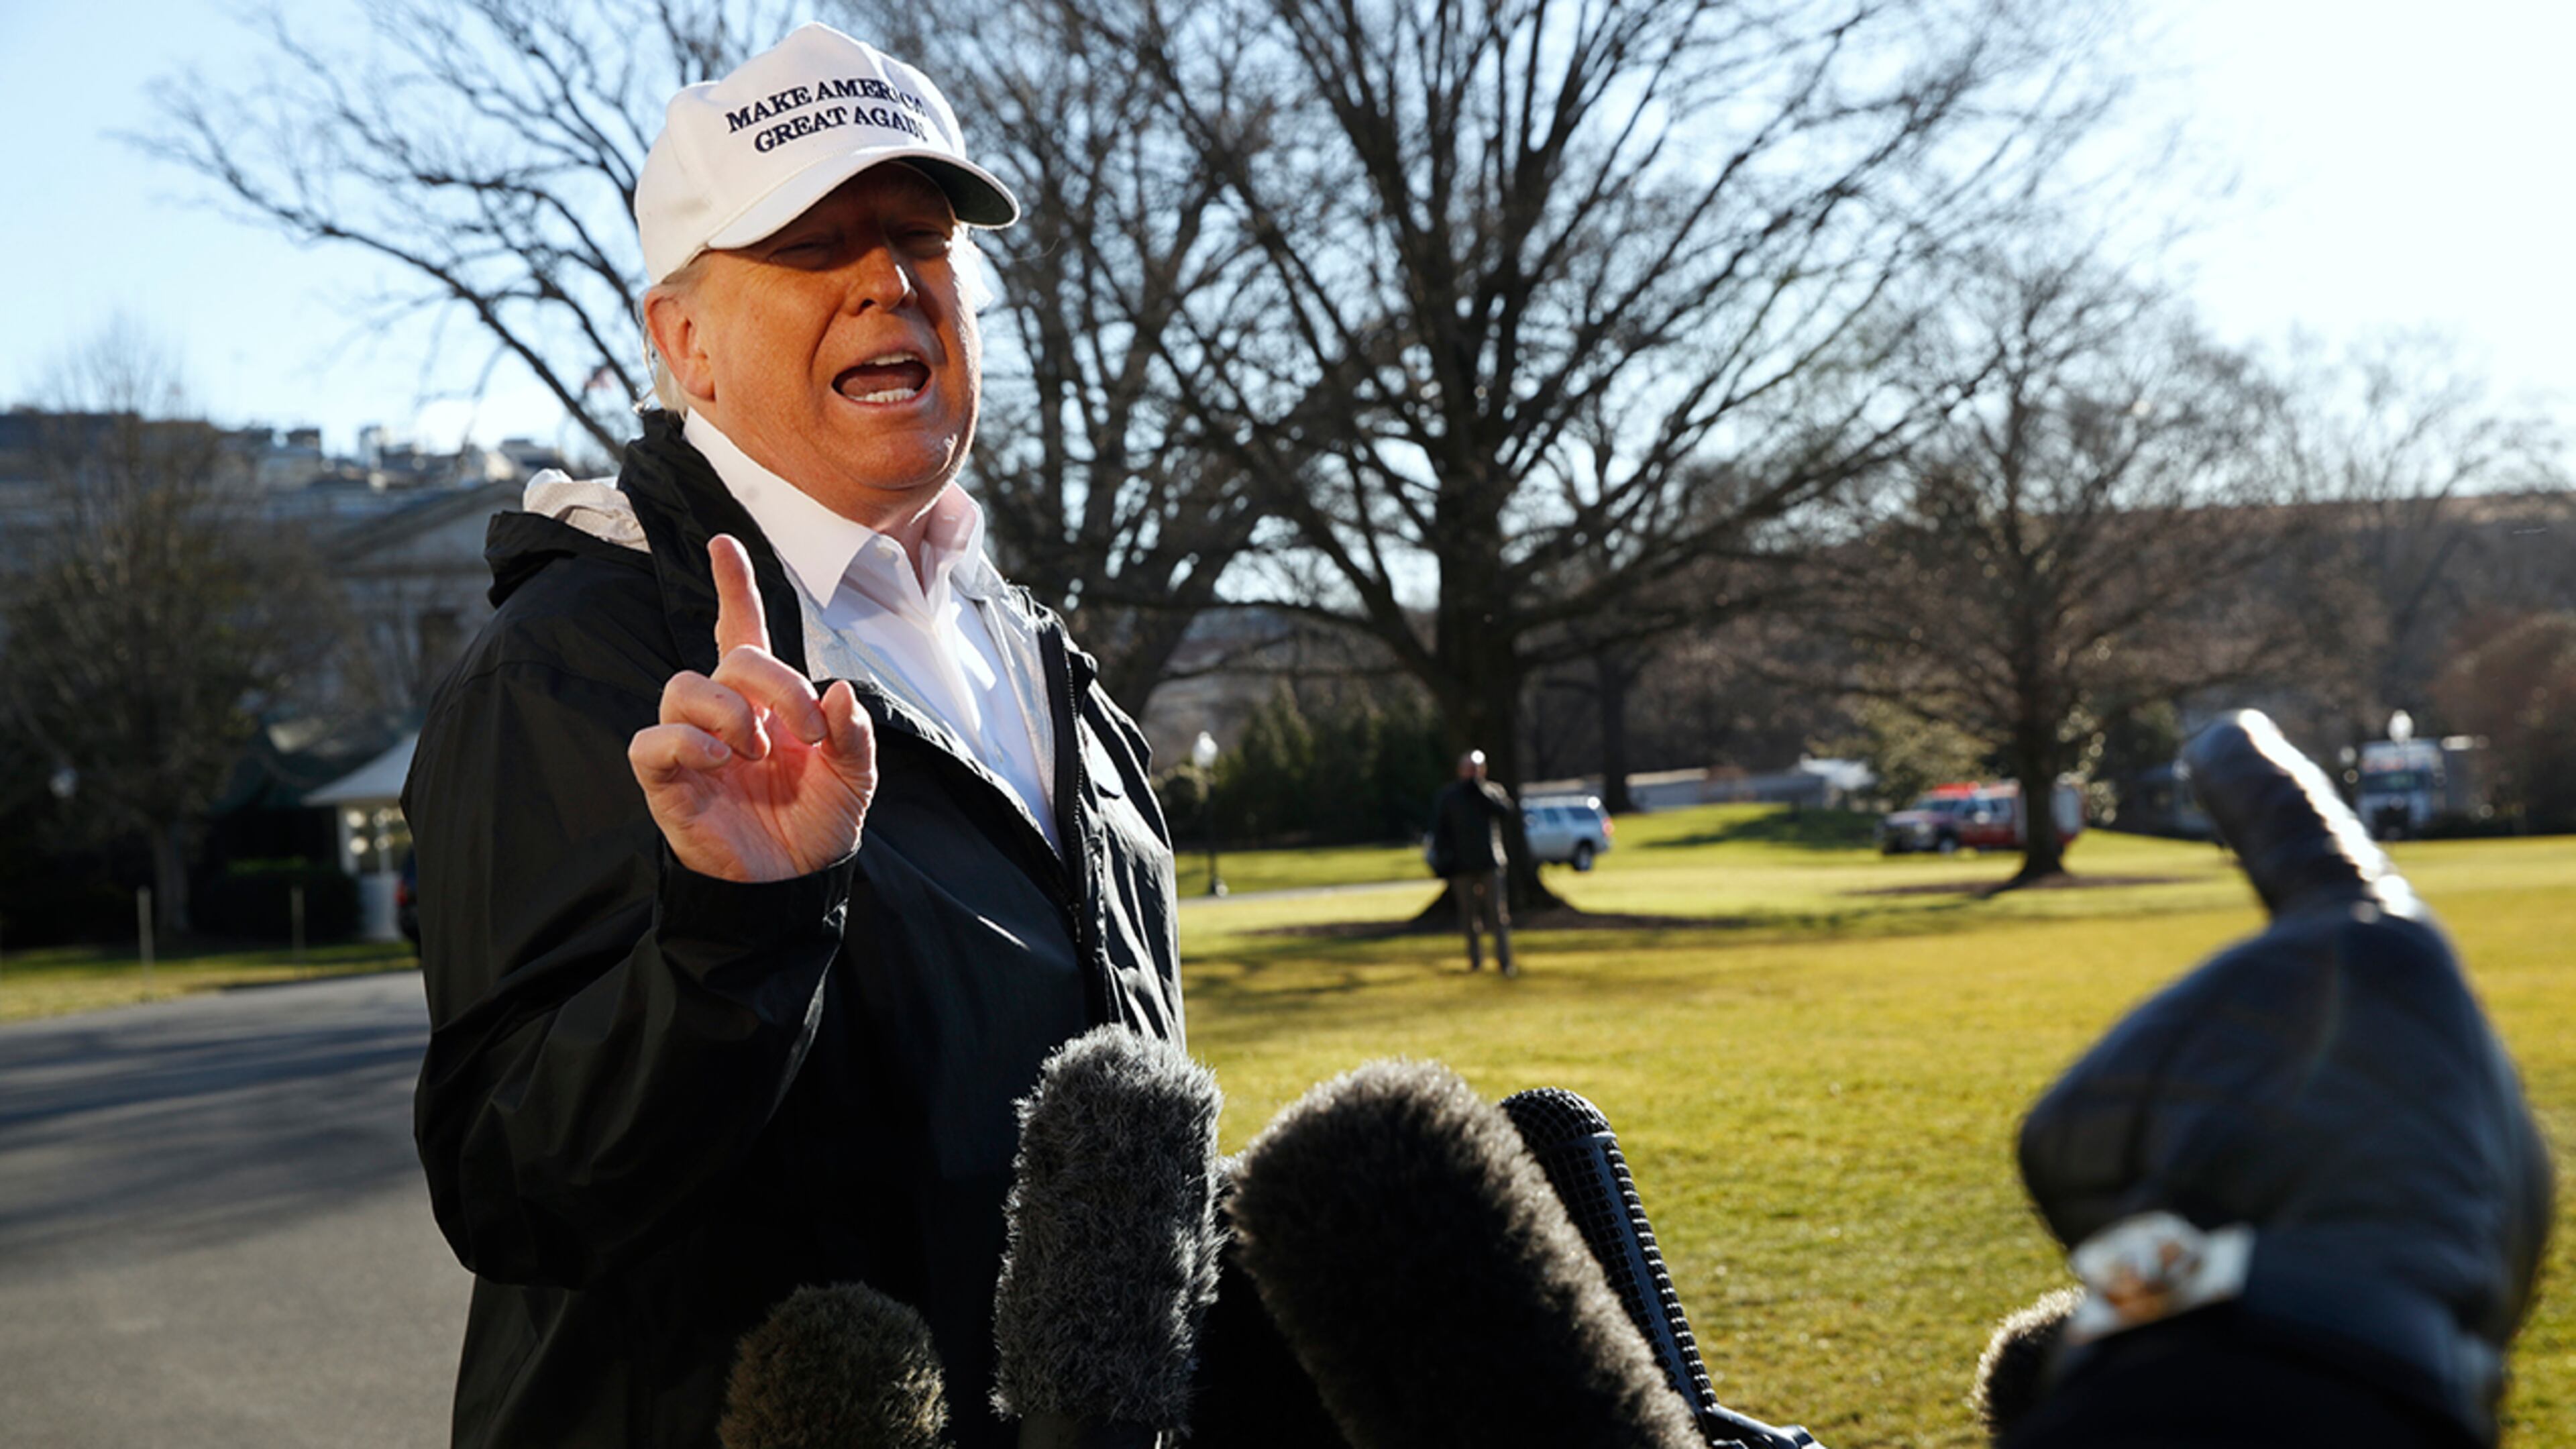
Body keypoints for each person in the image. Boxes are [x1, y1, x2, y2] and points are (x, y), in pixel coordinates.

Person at [401, 26, 1183, 1449]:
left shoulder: (1037, 661)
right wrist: (733, 931)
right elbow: (516, 1180)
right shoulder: (574, 668)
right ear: (684, 340)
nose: (889, 279)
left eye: (921, 236)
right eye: (818, 243)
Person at [1430, 750, 1517, 975]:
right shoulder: (1449, 796)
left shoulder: (1493, 792)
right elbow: (1441, 830)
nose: (1473, 773)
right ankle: (1475, 961)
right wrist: (1442, 859)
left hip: (1490, 862)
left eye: (1477, 768)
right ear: (1460, 771)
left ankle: (1505, 962)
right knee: (1468, 915)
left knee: (1497, 914)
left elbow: (1506, 812)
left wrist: (1480, 794)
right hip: (1462, 865)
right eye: (1469, 769)